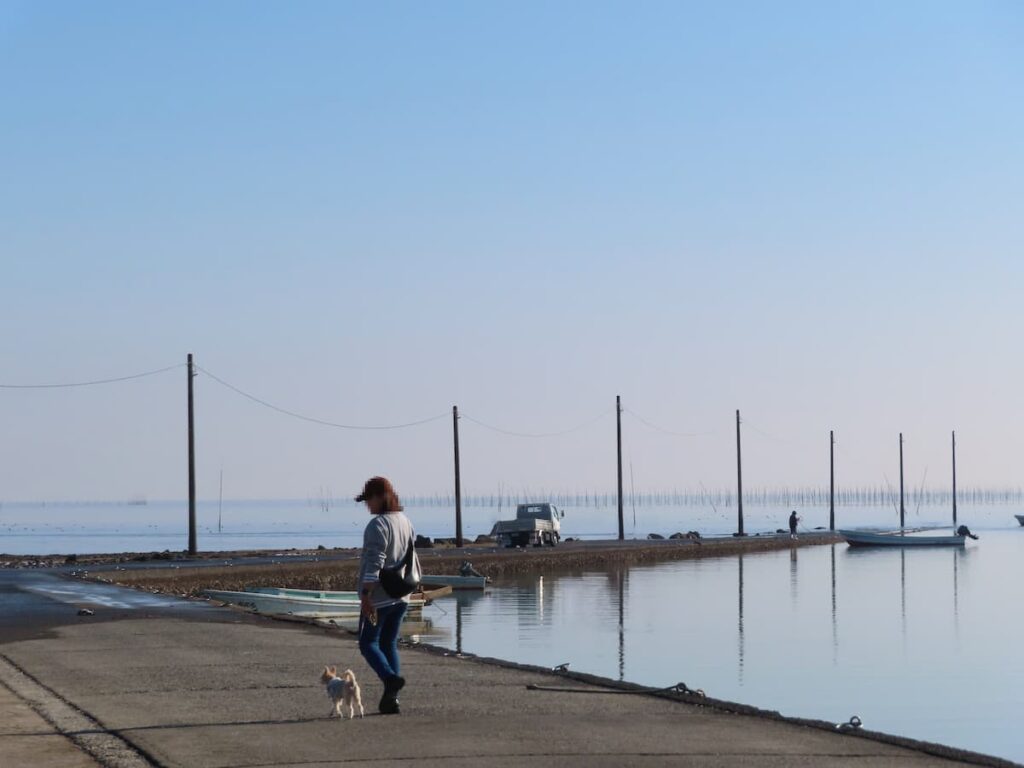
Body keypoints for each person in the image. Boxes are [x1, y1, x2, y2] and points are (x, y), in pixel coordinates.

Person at [355, 476, 416, 715]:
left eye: (369, 499)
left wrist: (366, 594)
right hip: (401, 595)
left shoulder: (377, 525)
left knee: (367, 643)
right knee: (389, 643)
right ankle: (392, 699)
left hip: (379, 596)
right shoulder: (405, 521)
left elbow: (375, 562)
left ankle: (390, 679)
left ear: (382, 496)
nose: (368, 505)